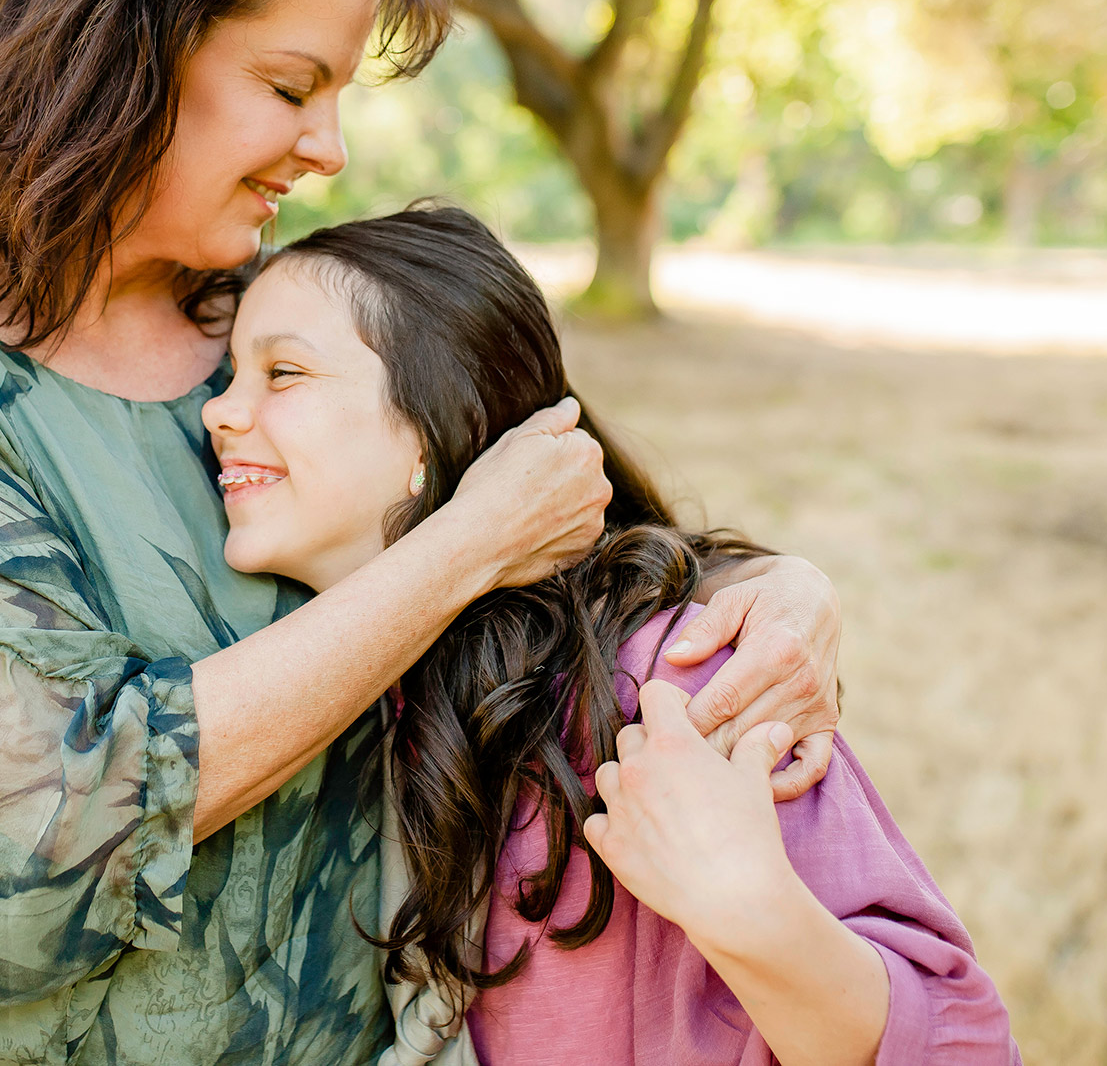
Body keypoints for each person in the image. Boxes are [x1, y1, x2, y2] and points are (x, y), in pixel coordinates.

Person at [0, 0, 846, 1065]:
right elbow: (64, 803)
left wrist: (777, 588)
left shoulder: (281, 317)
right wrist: (454, 551)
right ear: (126, 52)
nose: (329, 148)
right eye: (290, 86)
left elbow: (560, 508)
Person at [203, 205, 1019, 1066]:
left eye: (281, 372)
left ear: (434, 424)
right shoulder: (357, 687)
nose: (220, 411)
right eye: (227, 377)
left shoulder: (668, 686)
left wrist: (752, 912)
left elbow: (963, 1045)